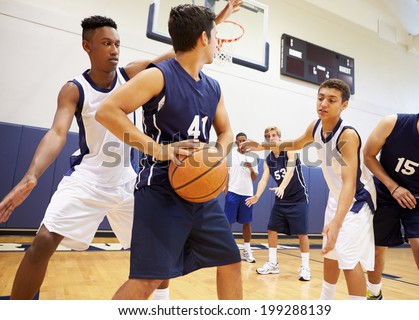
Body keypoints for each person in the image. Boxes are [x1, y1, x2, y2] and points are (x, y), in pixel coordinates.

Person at [0, 1, 241, 300]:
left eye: (117, 43)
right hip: (88, 179)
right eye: (106, 43)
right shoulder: (75, 88)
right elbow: (57, 133)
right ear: (87, 47)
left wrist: (214, 22)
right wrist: (31, 175)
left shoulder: (131, 74)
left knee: (159, 266)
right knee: (44, 242)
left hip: (127, 181)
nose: (114, 50)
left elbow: (183, 53)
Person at [95, 3, 243, 300]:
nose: (218, 43)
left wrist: (216, 155)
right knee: (147, 280)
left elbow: (226, 132)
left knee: (230, 260)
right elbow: (107, 111)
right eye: (216, 36)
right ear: (204, 38)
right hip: (161, 188)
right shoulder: (159, 76)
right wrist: (160, 150)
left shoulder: (214, 87)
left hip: (201, 191)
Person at [242, 79, 376, 299]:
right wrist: (261, 146)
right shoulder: (316, 126)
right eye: (320, 97)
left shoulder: (347, 136)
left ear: (344, 105)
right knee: (330, 252)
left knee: (348, 257)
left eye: (331, 100)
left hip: (357, 199)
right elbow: (294, 144)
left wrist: (337, 222)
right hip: (337, 195)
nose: (323, 103)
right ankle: (325, 301)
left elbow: (350, 183)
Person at [364, 78, 419, 300]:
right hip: (384, 192)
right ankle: (374, 294)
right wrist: (394, 187)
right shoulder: (392, 123)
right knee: (377, 249)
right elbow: (368, 155)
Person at [245, 126, 311, 281]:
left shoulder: (289, 149)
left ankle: (305, 267)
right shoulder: (268, 160)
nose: (271, 138)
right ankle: (273, 263)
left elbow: (291, 170)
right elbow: (263, 179)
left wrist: (282, 186)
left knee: (302, 233)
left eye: (273, 135)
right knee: (271, 229)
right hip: (282, 198)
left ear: (279, 137)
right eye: (268, 136)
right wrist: (257, 195)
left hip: (298, 197)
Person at [224, 132, 259, 263]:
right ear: (235, 142)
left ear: (247, 141)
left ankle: (247, 251)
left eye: (243, 140)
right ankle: (227, 250)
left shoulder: (253, 157)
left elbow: (255, 178)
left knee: (246, 222)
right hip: (233, 192)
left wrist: (250, 167)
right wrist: (225, 188)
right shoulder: (231, 155)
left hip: (247, 194)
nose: (241, 143)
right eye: (239, 141)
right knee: (228, 222)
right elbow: (225, 173)